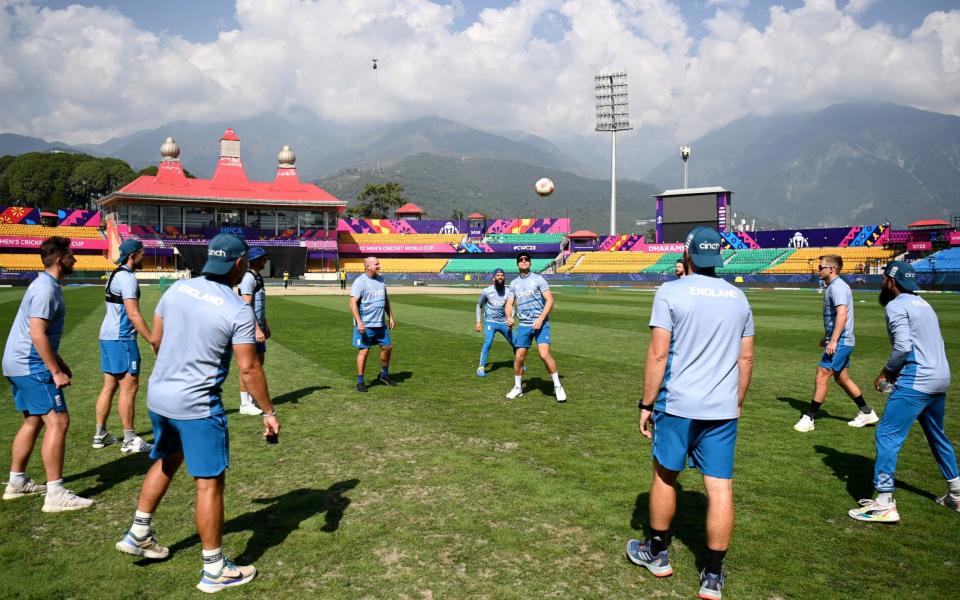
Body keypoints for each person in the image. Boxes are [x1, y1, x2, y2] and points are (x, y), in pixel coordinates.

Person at [114, 234, 280, 593]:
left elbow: (157, 339)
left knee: (166, 459)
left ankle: (139, 532)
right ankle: (215, 568)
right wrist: (268, 410)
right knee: (209, 482)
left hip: (160, 397)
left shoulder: (178, 290)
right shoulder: (237, 309)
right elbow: (249, 370)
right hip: (197, 404)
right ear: (238, 264)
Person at [626, 227, 754, 600]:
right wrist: (738, 402)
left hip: (678, 404)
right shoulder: (739, 298)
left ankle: (657, 553)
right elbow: (746, 358)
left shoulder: (671, 291)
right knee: (720, 488)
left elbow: (658, 354)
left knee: (666, 476)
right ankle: (712, 576)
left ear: (688, 254)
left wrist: (646, 404)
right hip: (722, 409)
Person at [848, 261, 959, 523]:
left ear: (891, 281)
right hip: (940, 377)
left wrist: (886, 373)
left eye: (885, 278)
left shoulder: (896, 305)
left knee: (886, 434)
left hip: (918, 379)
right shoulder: (923, 303)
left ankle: (884, 503)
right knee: (936, 435)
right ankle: (956, 493)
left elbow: (902, 346)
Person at [2, 237, 93, 512]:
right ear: (58, 260)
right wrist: (54, 370)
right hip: (30, 364)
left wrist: (59, 360)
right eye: (71, 256)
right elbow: (37, 333)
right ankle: (55, 495)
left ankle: (16, 483)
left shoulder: (45, 285)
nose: (75, 260)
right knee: (59, 421)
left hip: (17, 362)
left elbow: (43, 334)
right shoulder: (46, 289)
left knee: (33, 421)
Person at [793, 254, 877, 432]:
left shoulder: (837, 287)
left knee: (822, 374)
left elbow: (842, 314)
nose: (818, 270)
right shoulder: (834, 286)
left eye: (821, 267)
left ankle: (809, 418)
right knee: (842, 378)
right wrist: (827, 336)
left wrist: (834, 340)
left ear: (831, 269)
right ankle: (866, 412)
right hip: (840, 339)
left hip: (842, 341)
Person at [93, 238, 154, 453]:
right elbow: (133, 313)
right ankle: (129, 439)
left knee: (109, 386)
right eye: (142, 253)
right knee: (129, 387)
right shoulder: (127, 278)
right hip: (122, 338)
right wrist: (153, 339)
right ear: (133, 255)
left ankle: (100, 434)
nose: (144, 256)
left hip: (107, 336)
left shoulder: (116, 274)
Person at [504, 252, 565, 402]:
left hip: (541, 323)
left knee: (544, 355)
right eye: (521, 260)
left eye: (526, 259)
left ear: (530, 263)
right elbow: (509, 304)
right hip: (524, 325)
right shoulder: (514, 284)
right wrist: (509, 317)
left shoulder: (539, 279)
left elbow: (550, 301)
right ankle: (518, 388)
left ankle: (558, 386)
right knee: (519, 357)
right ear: (517, 264)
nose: (523, 261)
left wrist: (541, 319)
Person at [349, 257, 396, 392]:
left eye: (378, 263)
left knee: (387, 347)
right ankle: (360, 381)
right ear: (367, 266)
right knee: (364, 351)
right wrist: (359, 323)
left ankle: (384, 374)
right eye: (376, 264)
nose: (379, 266)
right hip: (366, 325)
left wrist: (391, 317)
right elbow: (352, 303)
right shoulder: (360, 282)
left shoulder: (381, 280)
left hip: (380, 324)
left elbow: (385, 300)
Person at [237, 247, 271, 416]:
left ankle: (251, 398)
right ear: (256, 259)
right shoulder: (249, 278)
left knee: (259, 362)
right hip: (249, 329)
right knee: (248, 365)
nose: (266, 260)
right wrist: (257, 329)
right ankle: (245, 403)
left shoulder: (258, 277)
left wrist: (265, 325)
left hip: (258, 328)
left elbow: (259, 306)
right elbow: (246, 306)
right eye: (263, 258)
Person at [475, 268, 513, 377]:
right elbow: (479, 305)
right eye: (498, 275)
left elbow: (511, 307)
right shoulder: (486, 291)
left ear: (504, 277)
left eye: (502, 275)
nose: (500, 277)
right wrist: (478, 322)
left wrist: (510, 318)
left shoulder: (509, 291)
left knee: (515, 343)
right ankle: (481, 367)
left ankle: (519, 364)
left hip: (504, 322)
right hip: (490, 322)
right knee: (488, 341)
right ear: (493, 278)